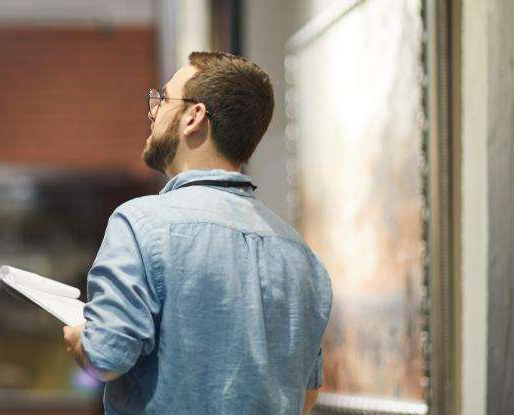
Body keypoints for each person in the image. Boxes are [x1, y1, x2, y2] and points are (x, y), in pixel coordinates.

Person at [61, 51, 332, 414]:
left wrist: (80, 337)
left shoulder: (140, 224)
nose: (152, 111)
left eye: (163, 99)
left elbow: (106, 357)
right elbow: (307, 396)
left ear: (194, 116)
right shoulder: (303, 258)